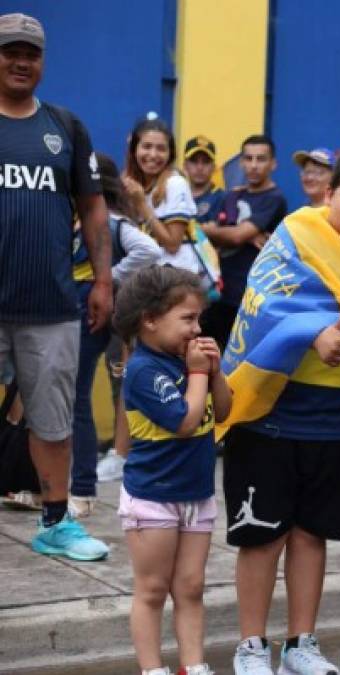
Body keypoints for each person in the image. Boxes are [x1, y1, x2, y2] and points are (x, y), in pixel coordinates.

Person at [220, 146, 340, 675]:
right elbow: (266, 304)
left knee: (310, 534)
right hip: (270, 415)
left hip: (336, 420)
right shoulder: (294, 236)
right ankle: (251, 646)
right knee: (261, 536)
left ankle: (301, 643)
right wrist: (313, 332)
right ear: (328, 195)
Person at [0, 12, 113, 560]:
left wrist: (104, 283)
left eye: (31, 53)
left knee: (52, 419)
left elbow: (93, 208)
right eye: (10, 51)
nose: (21, 62)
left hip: (50, 304)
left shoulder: (65, 127)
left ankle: (55, 521)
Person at [113, 265, 231, 675]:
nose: (196, 329)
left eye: (198, 318)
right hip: (153, 496)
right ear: (149, 320)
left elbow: (225, 411)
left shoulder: (188, 359)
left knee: (191, 587)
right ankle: (152, 669)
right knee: (152, 589)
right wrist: (198, 373)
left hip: (196, 494)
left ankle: (193, 665)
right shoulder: (144, 370)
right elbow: (183, 421)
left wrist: (214, 373)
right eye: (187, 319)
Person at [69, 153, 160, 517]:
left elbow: (150, 250)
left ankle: (82, 487)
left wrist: (105, 280)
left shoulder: (112, 220)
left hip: (90, 317)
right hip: (71, 315)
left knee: (76, 397)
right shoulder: (79, 218)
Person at [201, 134, 287, 349]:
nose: (254, 165)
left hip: (249, 297)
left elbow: (235, 235)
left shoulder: (274, 198)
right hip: (218, 293)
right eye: (248, 159)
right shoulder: (232, 196)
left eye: (261, 159)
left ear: (273, 163)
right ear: (241, 162)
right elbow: (214, 238)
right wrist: (236, 234)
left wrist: (212, 231)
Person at [122, 118, 199, 271]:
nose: (153, 154)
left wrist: (141, 205)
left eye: (161, 149)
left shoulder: (175, 184)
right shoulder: (131, 185)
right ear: (134, 150)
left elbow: (172, 245)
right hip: (145, 278)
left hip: (175, 279)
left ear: (170, 154)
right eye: (147, 146)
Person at [183, 135, 226, 225]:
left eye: (206, 162)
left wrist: (194, 230)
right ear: (185, 165)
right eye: (194, 161)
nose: (200, 167)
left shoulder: (222, 198)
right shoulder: (177, 195)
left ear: (214, 167)